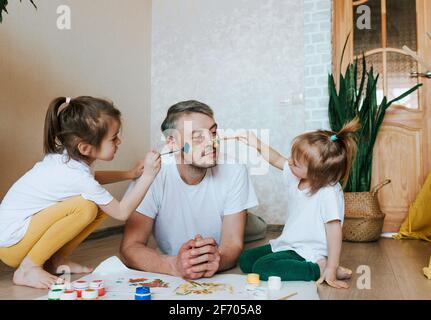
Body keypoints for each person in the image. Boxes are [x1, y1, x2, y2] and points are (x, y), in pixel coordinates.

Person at [0, 96, 161, 289]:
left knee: (98, 207)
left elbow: (92, 179)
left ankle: (56, 260)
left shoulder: (70, 160)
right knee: (85, 206)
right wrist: (148, 176)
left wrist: (131, 174)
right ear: (85, 147)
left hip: (15, 237)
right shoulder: (76, 176)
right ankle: (28, 268)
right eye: (113, 138)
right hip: (12, 246)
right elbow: (121, 212)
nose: (119, 141)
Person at [121, 100, 259, 279]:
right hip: (185, 244)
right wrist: (173, 265)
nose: (212, 143)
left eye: (213, 133)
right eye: (197, 137)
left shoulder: (234, 169)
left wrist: (218, 259)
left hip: (238, 221)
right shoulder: (152, 174)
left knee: (256, 228)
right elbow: (130, 247)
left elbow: (232, 243)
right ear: (172, 143)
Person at [238, 119, 360, 289]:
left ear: (318, 174)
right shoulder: (299, 176)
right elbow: (277, 159)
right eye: (292, 157)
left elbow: (334, 231)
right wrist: (256, 143)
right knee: (245, 260)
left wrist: (331, 267)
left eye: (295, 162)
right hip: (288, 243)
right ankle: (317, 265)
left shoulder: (328, 192)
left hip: (309, 251)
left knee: (261, 267)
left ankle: (318, 268)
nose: (289, 162)